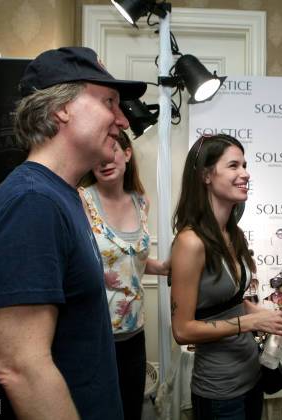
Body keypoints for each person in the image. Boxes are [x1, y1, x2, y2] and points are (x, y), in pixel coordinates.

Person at [0, 47, 147, 419]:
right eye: (109, 102)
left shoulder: (61, 196)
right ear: (61, 109)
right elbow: (20, 367)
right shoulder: (32, 203)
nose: (122, 121)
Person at [170, 134, 282, 419]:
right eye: (234, 166)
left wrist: (267, 317)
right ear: (206, 175)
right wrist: (250, 321)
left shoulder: (232, 233)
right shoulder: (190, 242)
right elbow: (182, 330)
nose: (245, 173)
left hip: (252, 378)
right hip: (219, 391)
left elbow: (230, 302)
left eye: (245, 165)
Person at [78, 130, 168, 420]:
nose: (106, 160)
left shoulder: (141, 202)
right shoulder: (80, 200)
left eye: (113, 151)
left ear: (127, 154)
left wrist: (164, 267)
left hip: (134, 333)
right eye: (98, 155)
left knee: (130, 412)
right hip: (93, 337)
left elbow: (131, 259)